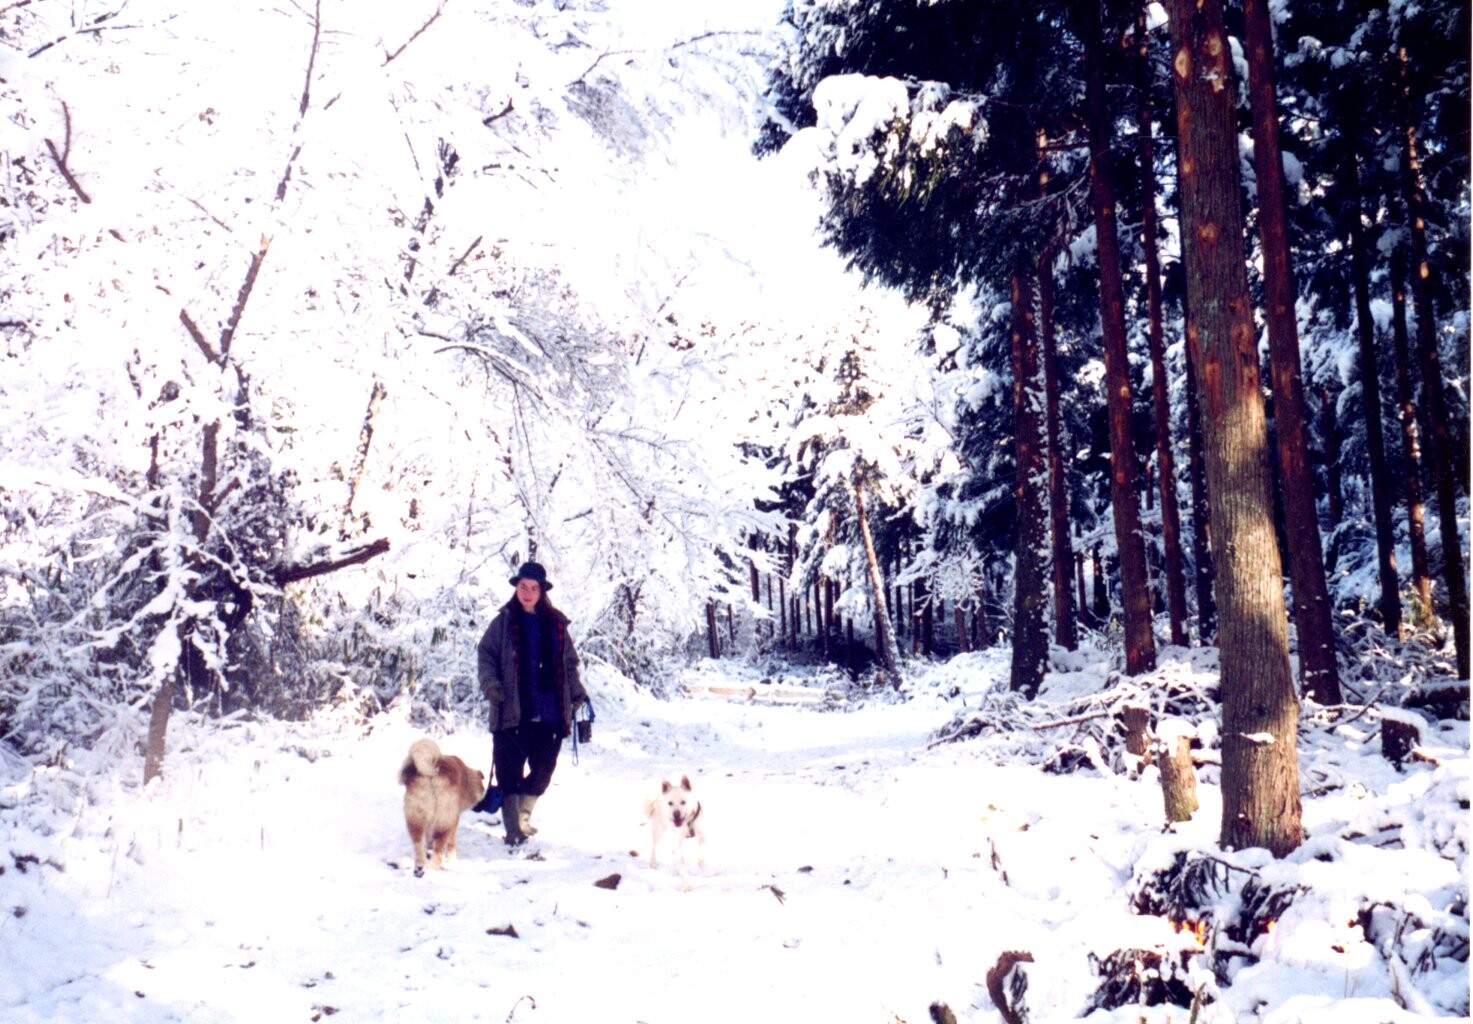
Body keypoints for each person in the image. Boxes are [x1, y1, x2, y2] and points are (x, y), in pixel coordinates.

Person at [474, 561, 587, 846]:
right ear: (516, 588)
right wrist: (492, 685)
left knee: (543, 771)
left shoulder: (556, 624)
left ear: (541, 591)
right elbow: (485, 655)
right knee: (508, 770)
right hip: (511, 709)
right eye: (523, 587)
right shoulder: (502, 623)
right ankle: (513, 828)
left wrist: (576, 692)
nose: (527, 592)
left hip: (549, 711)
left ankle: (524, 818)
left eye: (533, 588)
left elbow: (569, 663)